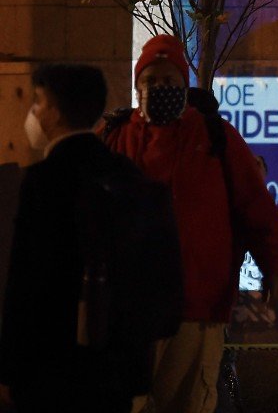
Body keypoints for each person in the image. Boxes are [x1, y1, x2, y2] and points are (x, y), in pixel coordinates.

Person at [104, 34, 278, 413]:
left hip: (197, 308)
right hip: (127, 311)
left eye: (170, 82)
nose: (160, 89)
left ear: (185, 85)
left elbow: (256, 208)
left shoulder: (216, 139)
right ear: (137, 85)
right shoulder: (115, 138)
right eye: (151, 81)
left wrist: (276, 270)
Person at [0, 64, 170, 411]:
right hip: (113, 370)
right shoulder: (127, 175)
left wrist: (10, 369)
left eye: (38, 102)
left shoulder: (43, 182)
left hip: (50, 366)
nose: (34, 112)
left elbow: (25, 283)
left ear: (55, 112)